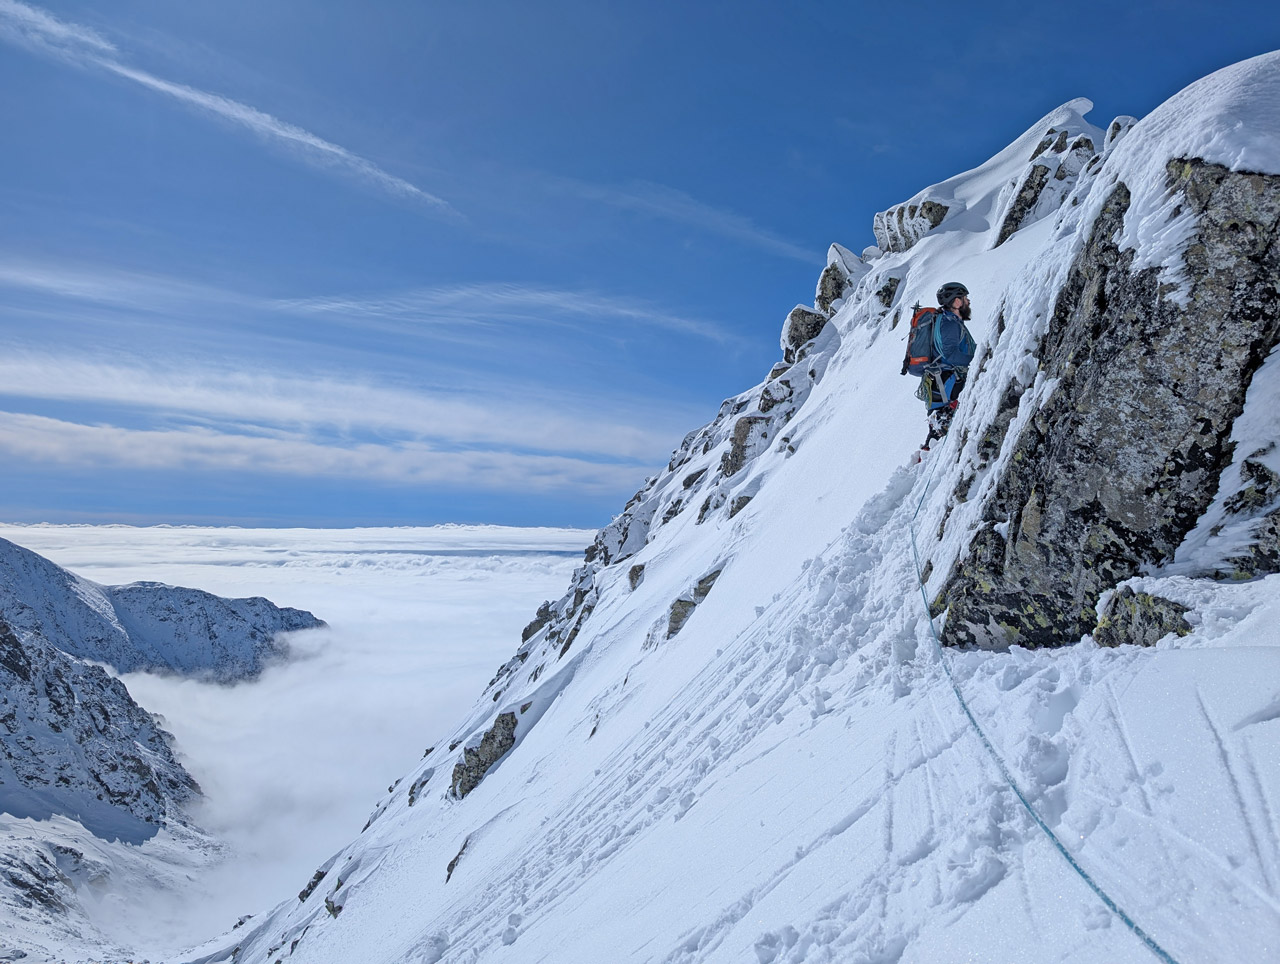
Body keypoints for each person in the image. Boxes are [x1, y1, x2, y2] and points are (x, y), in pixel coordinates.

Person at [919, 281, 975, 447]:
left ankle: (923, 459)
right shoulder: (949, 324)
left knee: (938, 433)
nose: (968, 301)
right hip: (949, 386)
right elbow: (950, 354)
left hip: (942, 384)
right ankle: (923, 463)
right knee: (941, 435)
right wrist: (977, 358)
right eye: (965, 298)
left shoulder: (946, 320)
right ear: (956, 302)